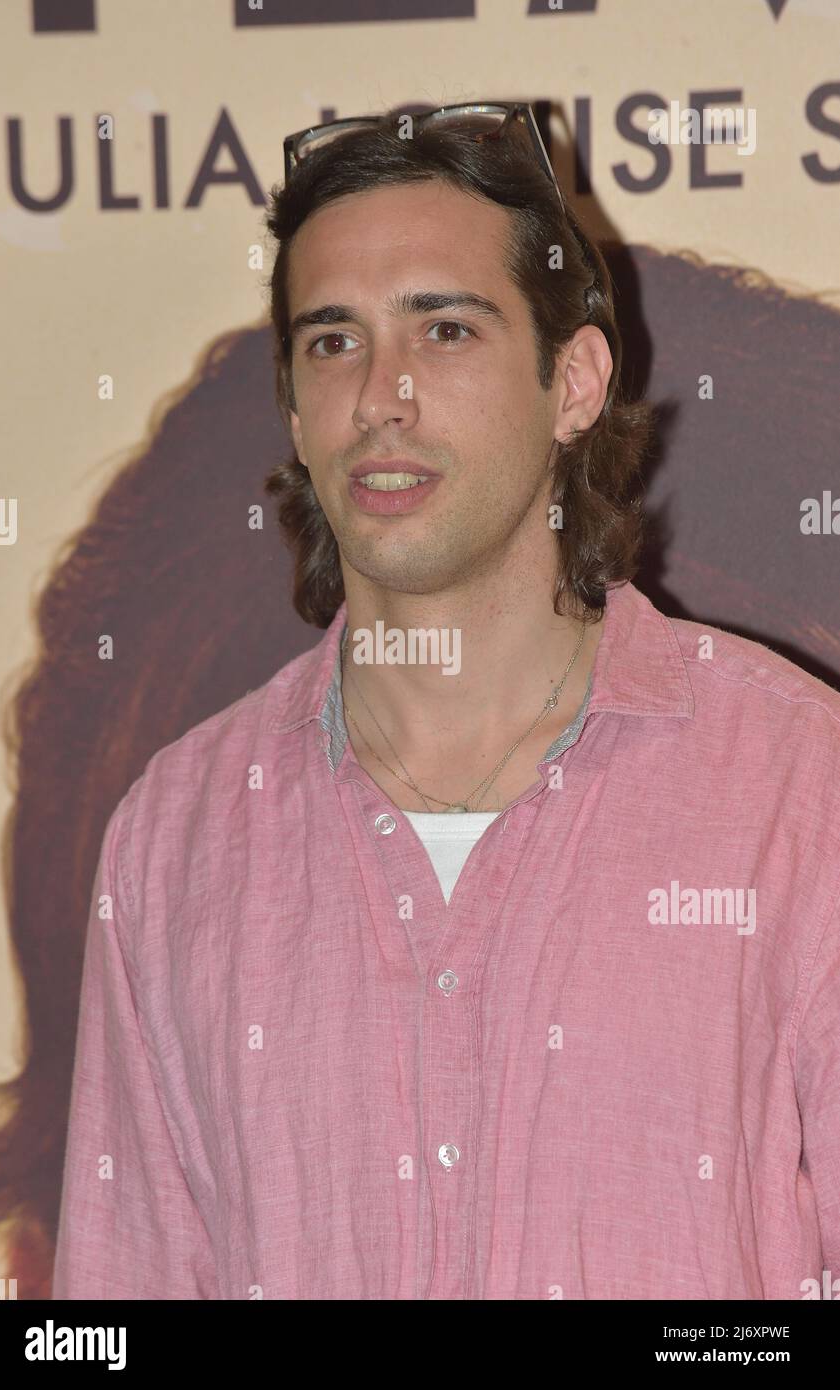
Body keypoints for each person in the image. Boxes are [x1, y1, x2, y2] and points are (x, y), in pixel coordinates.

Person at [51, 104, 840, 1300]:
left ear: (572, 381)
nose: (382, 394)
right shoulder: (177, 841)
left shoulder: (795, 790)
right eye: (332, 343)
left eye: (446, 329)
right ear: (295, 410)